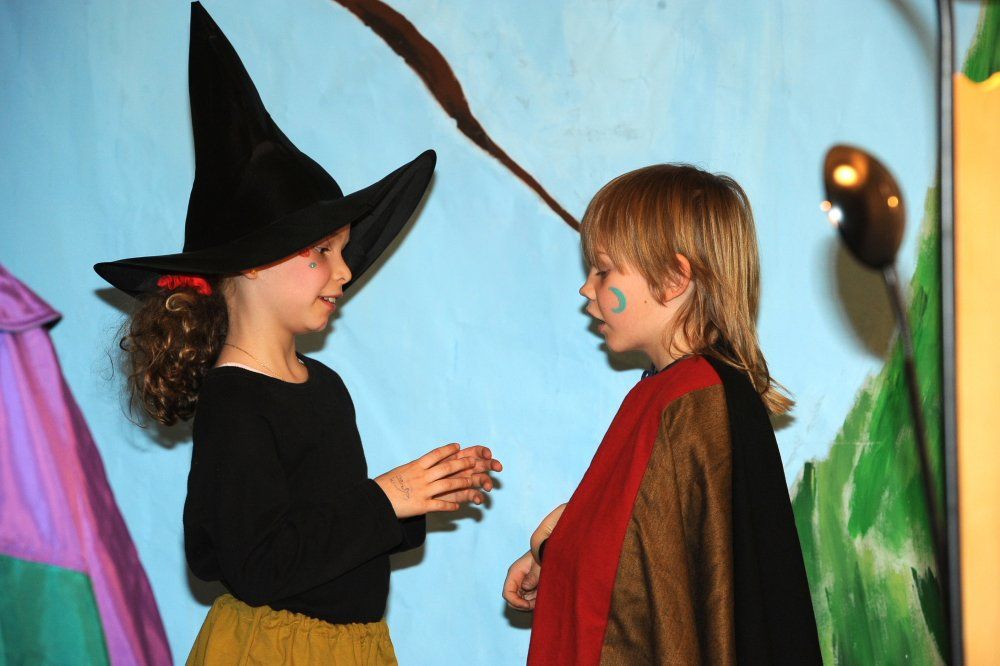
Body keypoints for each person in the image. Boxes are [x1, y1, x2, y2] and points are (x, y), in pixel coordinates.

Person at [94, 5, 499, 664]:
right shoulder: (234, 402)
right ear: (255, 262)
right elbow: (260, 565)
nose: (344, 272)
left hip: (350, 648)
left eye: (342, 251)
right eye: (322, 252)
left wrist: (420, 496)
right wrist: (387, 497)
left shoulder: (324, 386)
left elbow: (330, 531)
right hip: (274, 650)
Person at [503, 164, 821, 664]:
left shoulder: (690, 400)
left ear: (673, 278)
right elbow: (641, 541)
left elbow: (633, 586)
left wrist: (558, 549)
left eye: (603, 270)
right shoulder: (675, 392)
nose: (587, 289)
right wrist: (559, 542)